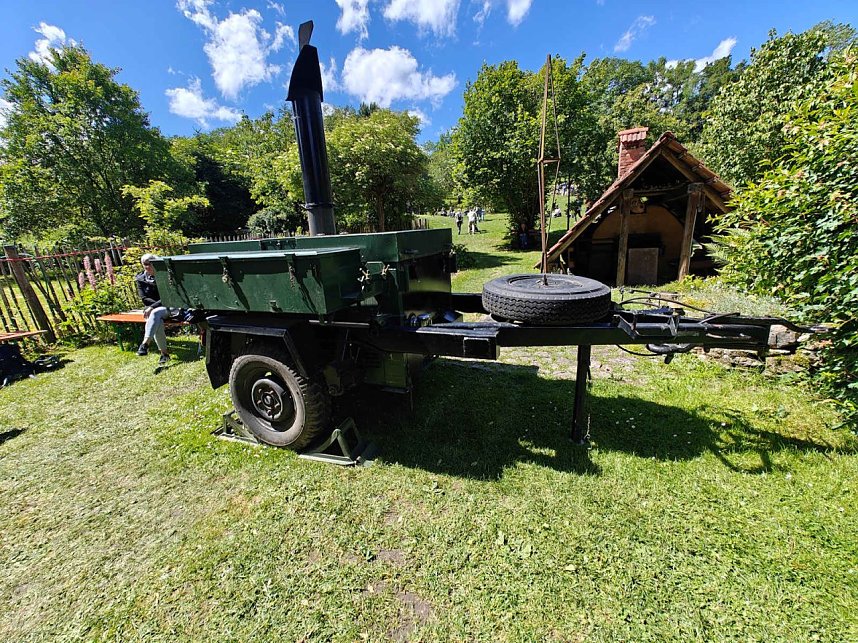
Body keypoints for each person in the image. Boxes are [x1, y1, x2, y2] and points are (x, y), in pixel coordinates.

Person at [135, 253, 171, 366]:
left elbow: (168, 297)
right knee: (156, 319)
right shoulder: (141, 279)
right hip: (153, 310)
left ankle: (145, 344)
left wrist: (152, 307)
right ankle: (164, 354)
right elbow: (144, 298)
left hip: (169, 307)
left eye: (151, 264)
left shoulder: (164, 276)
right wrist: (153, 306)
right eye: (145, 264)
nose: (148, 266)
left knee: (154, 313)